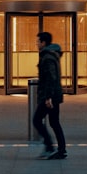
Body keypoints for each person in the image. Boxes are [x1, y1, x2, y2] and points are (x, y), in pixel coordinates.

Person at [32, 31, 66, 160]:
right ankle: (61, 150)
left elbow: (51, 77)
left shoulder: (47, 57)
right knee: (54, 122)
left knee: (37, 120)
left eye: (37, 42)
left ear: (43, 43)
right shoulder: (52, 55)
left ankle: (50, 146)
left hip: (50, 96)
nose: (36, 44)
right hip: (53, 95)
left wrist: (48, 97)